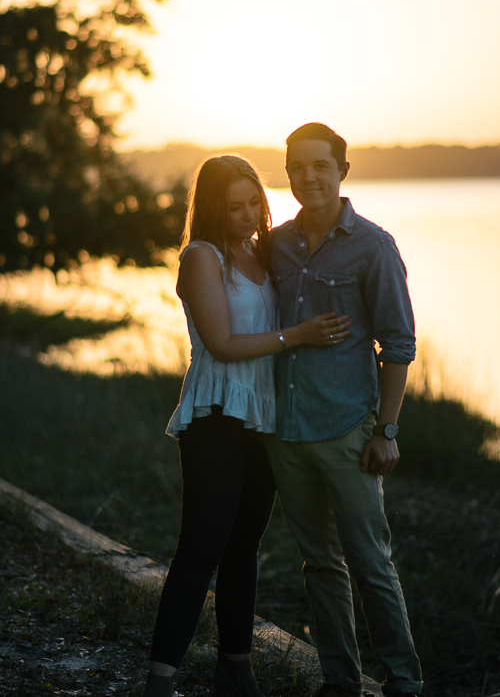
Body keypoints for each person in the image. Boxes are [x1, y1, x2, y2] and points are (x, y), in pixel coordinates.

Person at [143, 155, 350, 697]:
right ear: (214, 208)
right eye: (232, 206)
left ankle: (235, 670)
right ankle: (160, 680)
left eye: (252, 202)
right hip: (216, 413)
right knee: (200, 547)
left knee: (243, 549)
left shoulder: (263, 250)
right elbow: (223, 343)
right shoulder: (201, 256)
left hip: (264, 415)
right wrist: (299, 335)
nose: (244, 214)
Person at [265, 124, 423, 697]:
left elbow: (399, 346)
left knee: (370, 562)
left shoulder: (374, 247)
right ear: (287, 174)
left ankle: (403, 681)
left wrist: (386, 430)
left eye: (320, 167)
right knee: (319, 564)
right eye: (297, 167)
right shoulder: (275, 245)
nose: (308, 177)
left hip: (348, 431)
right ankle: (339, 682)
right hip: (286, 433)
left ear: (342, 172)